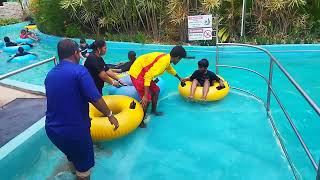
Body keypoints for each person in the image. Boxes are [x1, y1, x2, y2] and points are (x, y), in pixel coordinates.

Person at [45, 39, 119, 180]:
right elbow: (95, 99)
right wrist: (110, 114)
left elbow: (60, 101)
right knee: (84, 172)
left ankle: (73, 171)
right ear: (75, 53)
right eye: (79, 52)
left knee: (73, 157)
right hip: (74, 132)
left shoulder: (50, 75)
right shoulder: (79, 71)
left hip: (52, 131)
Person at [128, 46, 187, 128]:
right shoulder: (163, 63)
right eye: (180, 59)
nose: (179, 61)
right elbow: (148, 77)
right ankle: (140, 122)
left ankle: (153, 111)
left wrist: (179, 78)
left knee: (156, 90)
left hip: (143, 71)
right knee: (147, 99)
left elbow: (169, 68)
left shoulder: (167, 58)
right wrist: (145, 96)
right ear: (177, 57)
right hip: (137, 73)